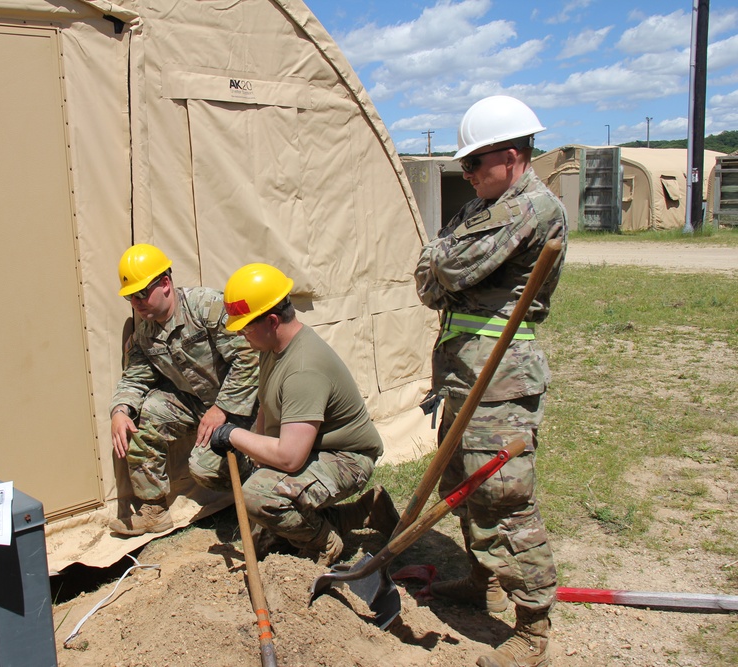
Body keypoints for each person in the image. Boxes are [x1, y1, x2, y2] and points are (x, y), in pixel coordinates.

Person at [414, 95, 567, 667]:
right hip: (463, 371)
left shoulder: (531, 208)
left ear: (509, 156)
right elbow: (428, 276)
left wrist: (438, 260)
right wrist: (438, 261)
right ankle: (484, 580)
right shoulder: (485, 207)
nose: (467, 175)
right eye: (464, 167)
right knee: (460, 482)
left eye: (474, 164)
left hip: (499, 377)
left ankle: (532, 631)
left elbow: (445, 268)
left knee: (502, 497)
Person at [192, 263, 398, 566]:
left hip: (346, 457)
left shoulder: (304, 368)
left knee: (260, 497)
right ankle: (365, 511)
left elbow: (290, 458)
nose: (242, 335)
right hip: (311, 448)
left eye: (246, 326)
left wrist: (235, 435)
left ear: (272, 321)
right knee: (265, 509)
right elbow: (266, 402)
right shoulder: (271, 347)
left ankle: (326, 544)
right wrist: (257, 452)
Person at [108, 243, 259, 536]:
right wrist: (120, 410)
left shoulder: (206, 307)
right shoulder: (145, 333)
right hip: (199, 406)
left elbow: (249, 359)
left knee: (204, 470)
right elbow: (134, 379)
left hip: (246, 404)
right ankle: (153, 510)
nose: (136, 303)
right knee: (144, 411)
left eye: (141, 293)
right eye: (130, 297)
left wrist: (223, 408)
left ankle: (261, 487)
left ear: (165, 284)